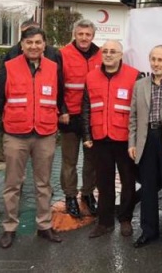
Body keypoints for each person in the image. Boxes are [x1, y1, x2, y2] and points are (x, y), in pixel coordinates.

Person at [0, 27, 66, 249]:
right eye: (29, 43)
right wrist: (13, 118)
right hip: (16, 134)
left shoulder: (54, 68)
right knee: (13, 184)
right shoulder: (9, 67)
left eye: (38, 42)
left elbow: (59, 95)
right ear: (22, 45)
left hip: (45, 133)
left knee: (43, 184)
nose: (34, 46)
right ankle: (9, 227)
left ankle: (44, 225)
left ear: (45, 45)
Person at [82, 40, 140, 238]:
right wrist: (87, 135)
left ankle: (125, 219)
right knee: (103, 182)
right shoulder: (90, 77)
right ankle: (105, 222)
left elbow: (139, 110)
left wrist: (137, 140)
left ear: (120, 55)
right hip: (100, 138)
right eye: (105, 51)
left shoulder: (134, 75)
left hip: (125, 139)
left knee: (128, 182)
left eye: (112, 51)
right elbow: (86, 108)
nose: (108, 54)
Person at [128, 45, 162, 250]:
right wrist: (132, 143)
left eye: (161, 60)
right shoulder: (140, 85)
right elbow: (132, 117)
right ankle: (148, 231)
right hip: (146, 140)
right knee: (148, 187)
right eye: (153, 59)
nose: (156, 63)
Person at [59, 19, 101, 218]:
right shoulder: (63, 54)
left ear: (93, 36)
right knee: (69, 161)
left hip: (92, 117)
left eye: (88, 34)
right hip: (70, 116)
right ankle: (69, 197)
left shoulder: (101, 54)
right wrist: (62, 110)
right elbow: (57, 84)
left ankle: (87, 194)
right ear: (75, 34)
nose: (84, 38)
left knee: (92, 160)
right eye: (80, 34)